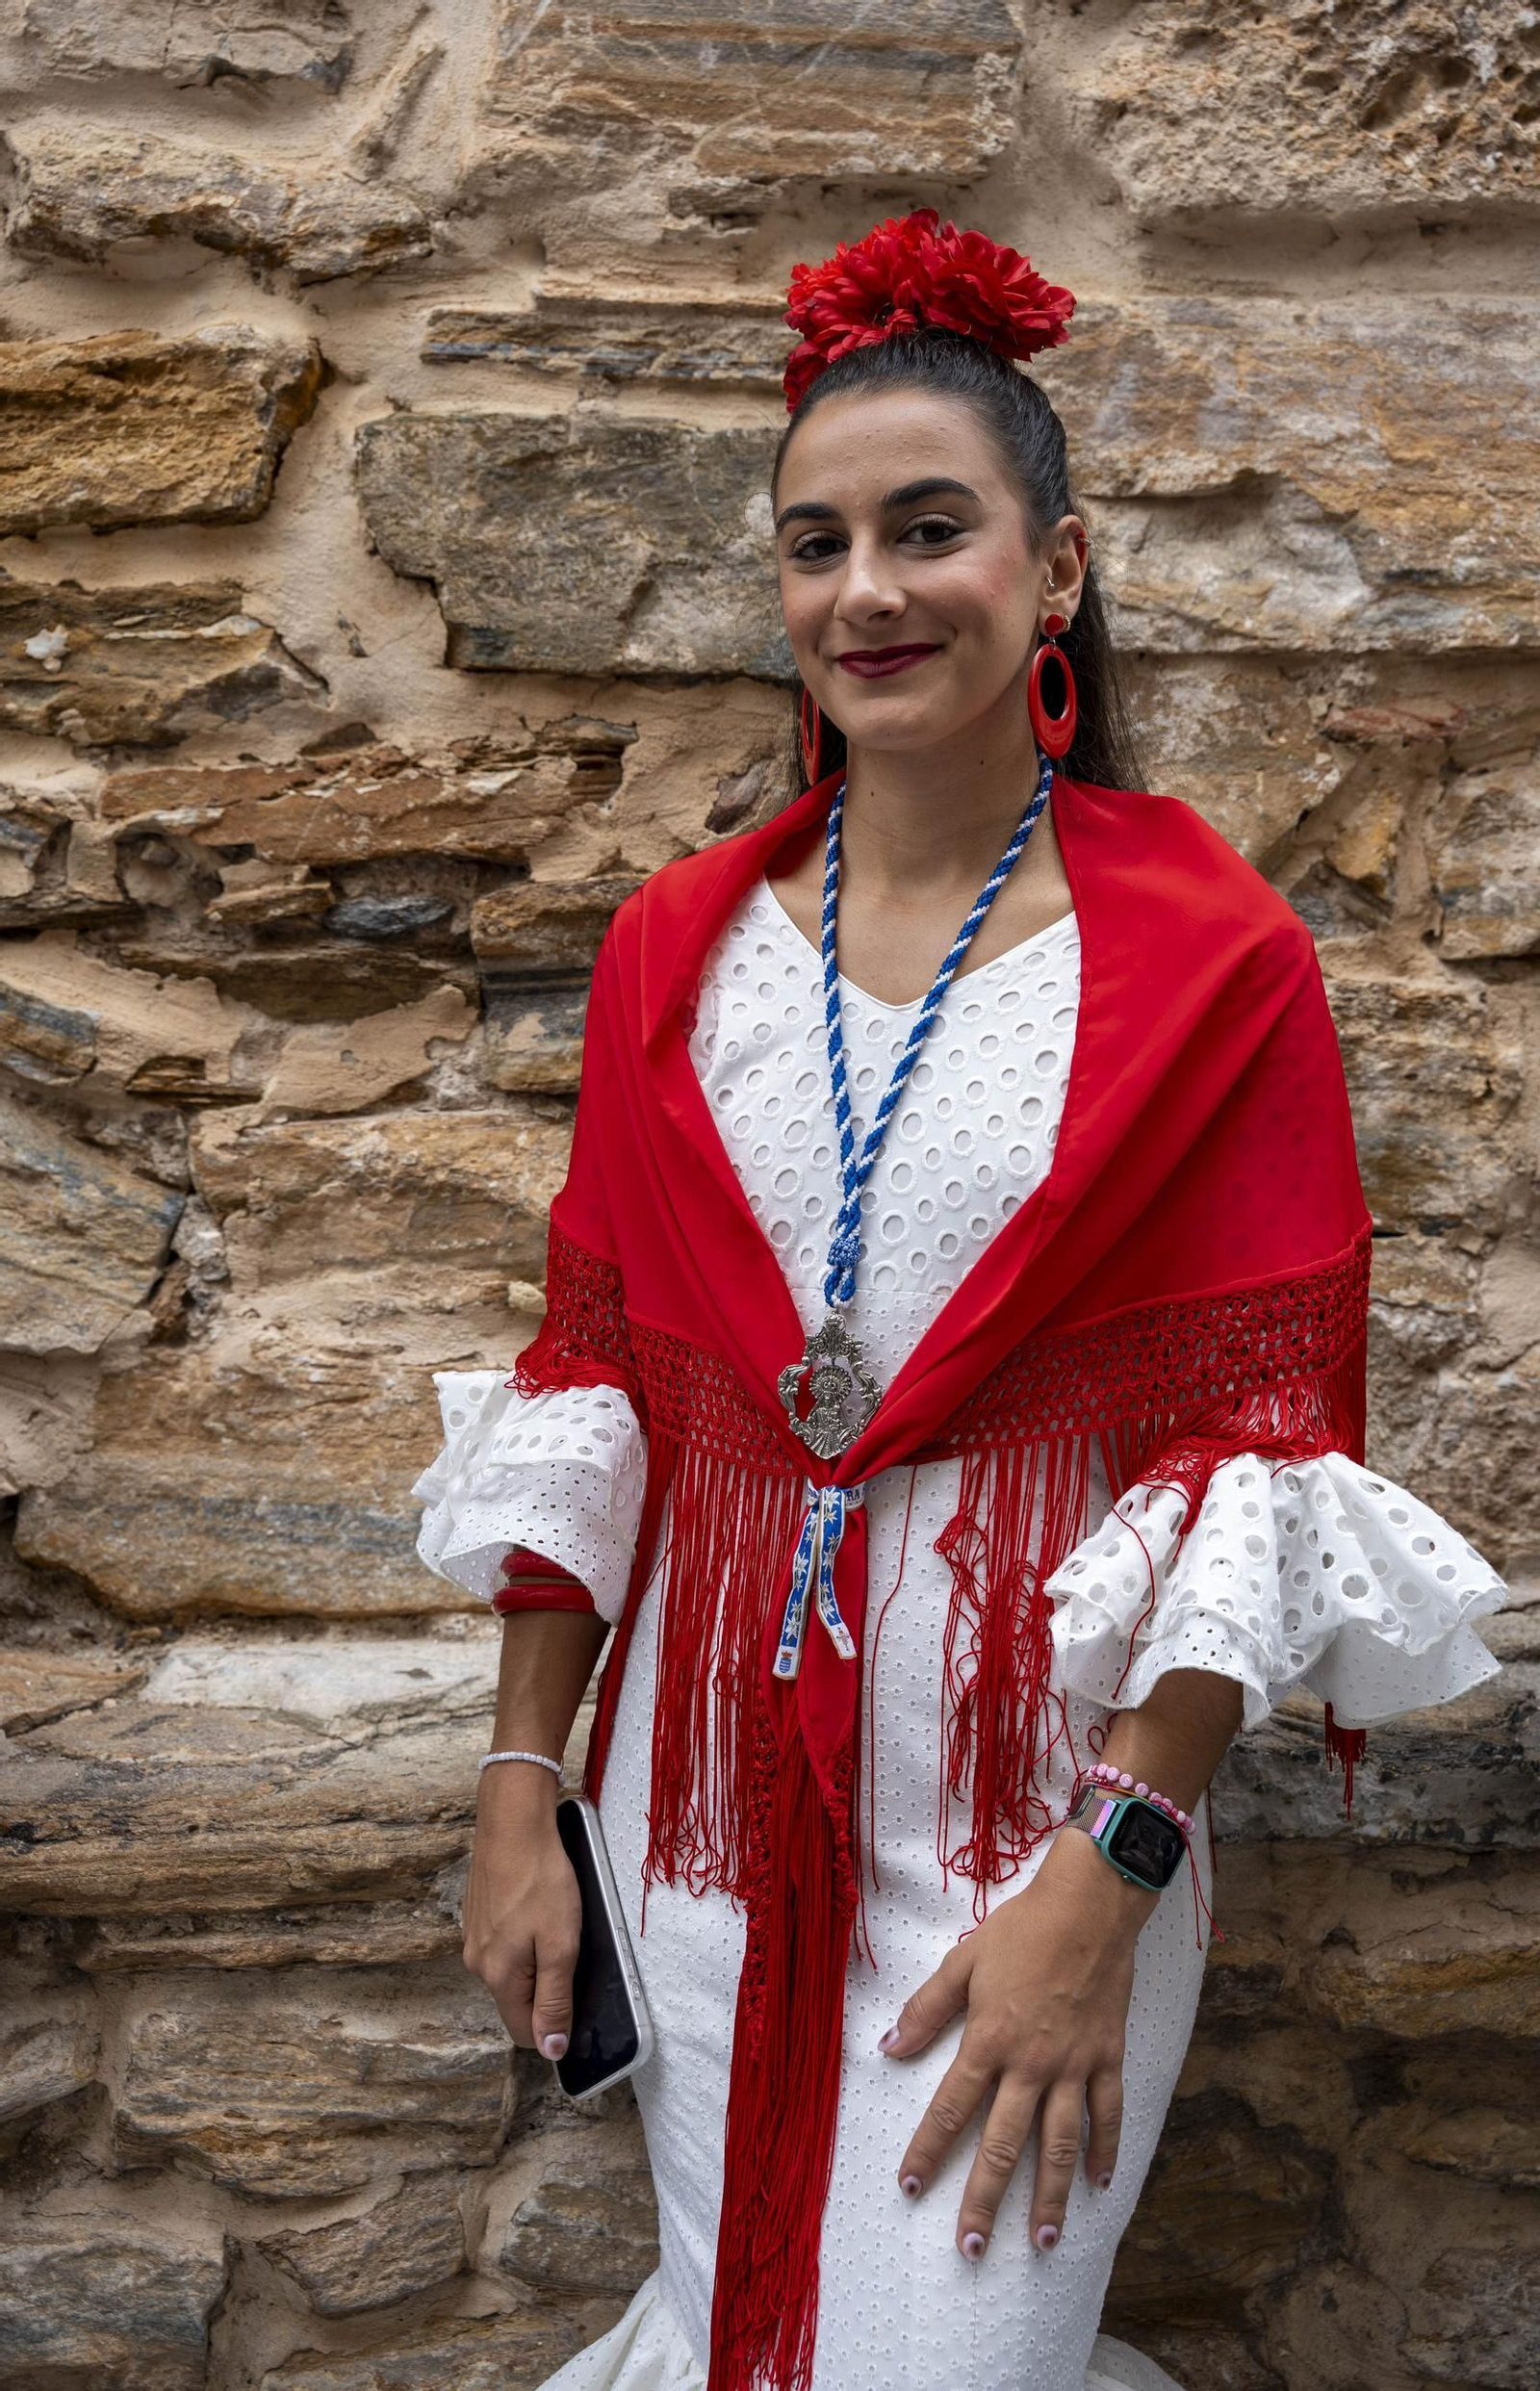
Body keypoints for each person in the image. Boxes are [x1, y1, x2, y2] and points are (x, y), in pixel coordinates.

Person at [413, 209, 1508, 2391]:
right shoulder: (674, 953)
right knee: (740, 2334)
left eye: (930, 528)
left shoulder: (1212, 966)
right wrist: (522, 1786)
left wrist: (1103, 1880)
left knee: (947, 2357)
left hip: (1036, 1808)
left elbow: (1249, 1464)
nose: (866, 590)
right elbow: (600, 1383)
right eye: (814, 545)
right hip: (701, 1801)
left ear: (1059, 568)